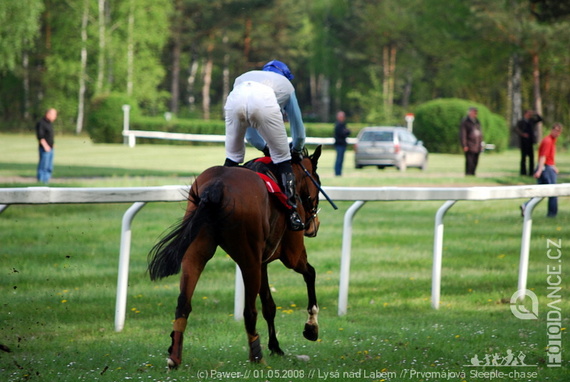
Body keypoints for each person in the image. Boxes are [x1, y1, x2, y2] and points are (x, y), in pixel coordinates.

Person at [223, 60, 306, 231]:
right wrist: (295, 150)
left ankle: (218, 198)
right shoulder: (287, 86)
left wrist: (266, 149)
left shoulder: (244, 77)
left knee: (233, 157)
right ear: (285, 75)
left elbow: (251, 135)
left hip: (234, 99)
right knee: (283, 159)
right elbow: (298, 129)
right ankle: (292, 213)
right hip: (264, 101)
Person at [533, 123, 563, 217]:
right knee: (553, 192)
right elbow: (543, 157)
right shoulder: (548, 141)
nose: (558, 133)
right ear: (552, 130)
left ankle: (526, 206)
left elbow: (549, 157)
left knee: (540, 192)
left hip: (549, 167)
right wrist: (539, 170)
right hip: (546, 169)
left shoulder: (553, 140)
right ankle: (552, 214)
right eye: (556, 131)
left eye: (559, 132)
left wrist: (553, 166)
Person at [514, 109, 542, 176]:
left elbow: (540, 119)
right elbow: (516, 129)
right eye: (528, 113)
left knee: (531, 158)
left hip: (530, 142)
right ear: (525, 114)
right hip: (523, 142)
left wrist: (536, 113)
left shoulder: (531, 121)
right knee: (523, 158)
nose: (530, 115)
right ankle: (523, 172)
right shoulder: (521, 122)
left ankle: (531, 172)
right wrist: (522, 134)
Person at [35, 108, 58, 183]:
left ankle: (46, 181)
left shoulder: (49, 123)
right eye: (54, 115)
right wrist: (45, 146)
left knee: (49, 166)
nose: (55, 117)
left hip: (50, 148)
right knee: (43, 166)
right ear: (48, 114)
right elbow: (40, 136)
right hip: (45, 148)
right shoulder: (41, 123)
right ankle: (41, 181)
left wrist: (52, 144)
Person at [459, 107, 483, 176]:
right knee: (469, 160)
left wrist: (481, 144)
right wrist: (464, 145)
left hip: (477, 144)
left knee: (475, 160)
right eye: (474, 112)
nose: (475, 114)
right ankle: (468, 173)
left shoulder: (477, 121)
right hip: (470, 144)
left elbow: (480, 133)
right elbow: (463, 134)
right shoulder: (465, 122)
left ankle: (473, 173)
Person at [333, 111, 351, 176]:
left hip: (342, 144)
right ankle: (337, 172)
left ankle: (339, 172)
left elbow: (347, 132)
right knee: (339, 159)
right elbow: (342, 133)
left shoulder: (343, 124)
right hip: (339, 144)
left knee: (341, 159)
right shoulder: (338, 125)